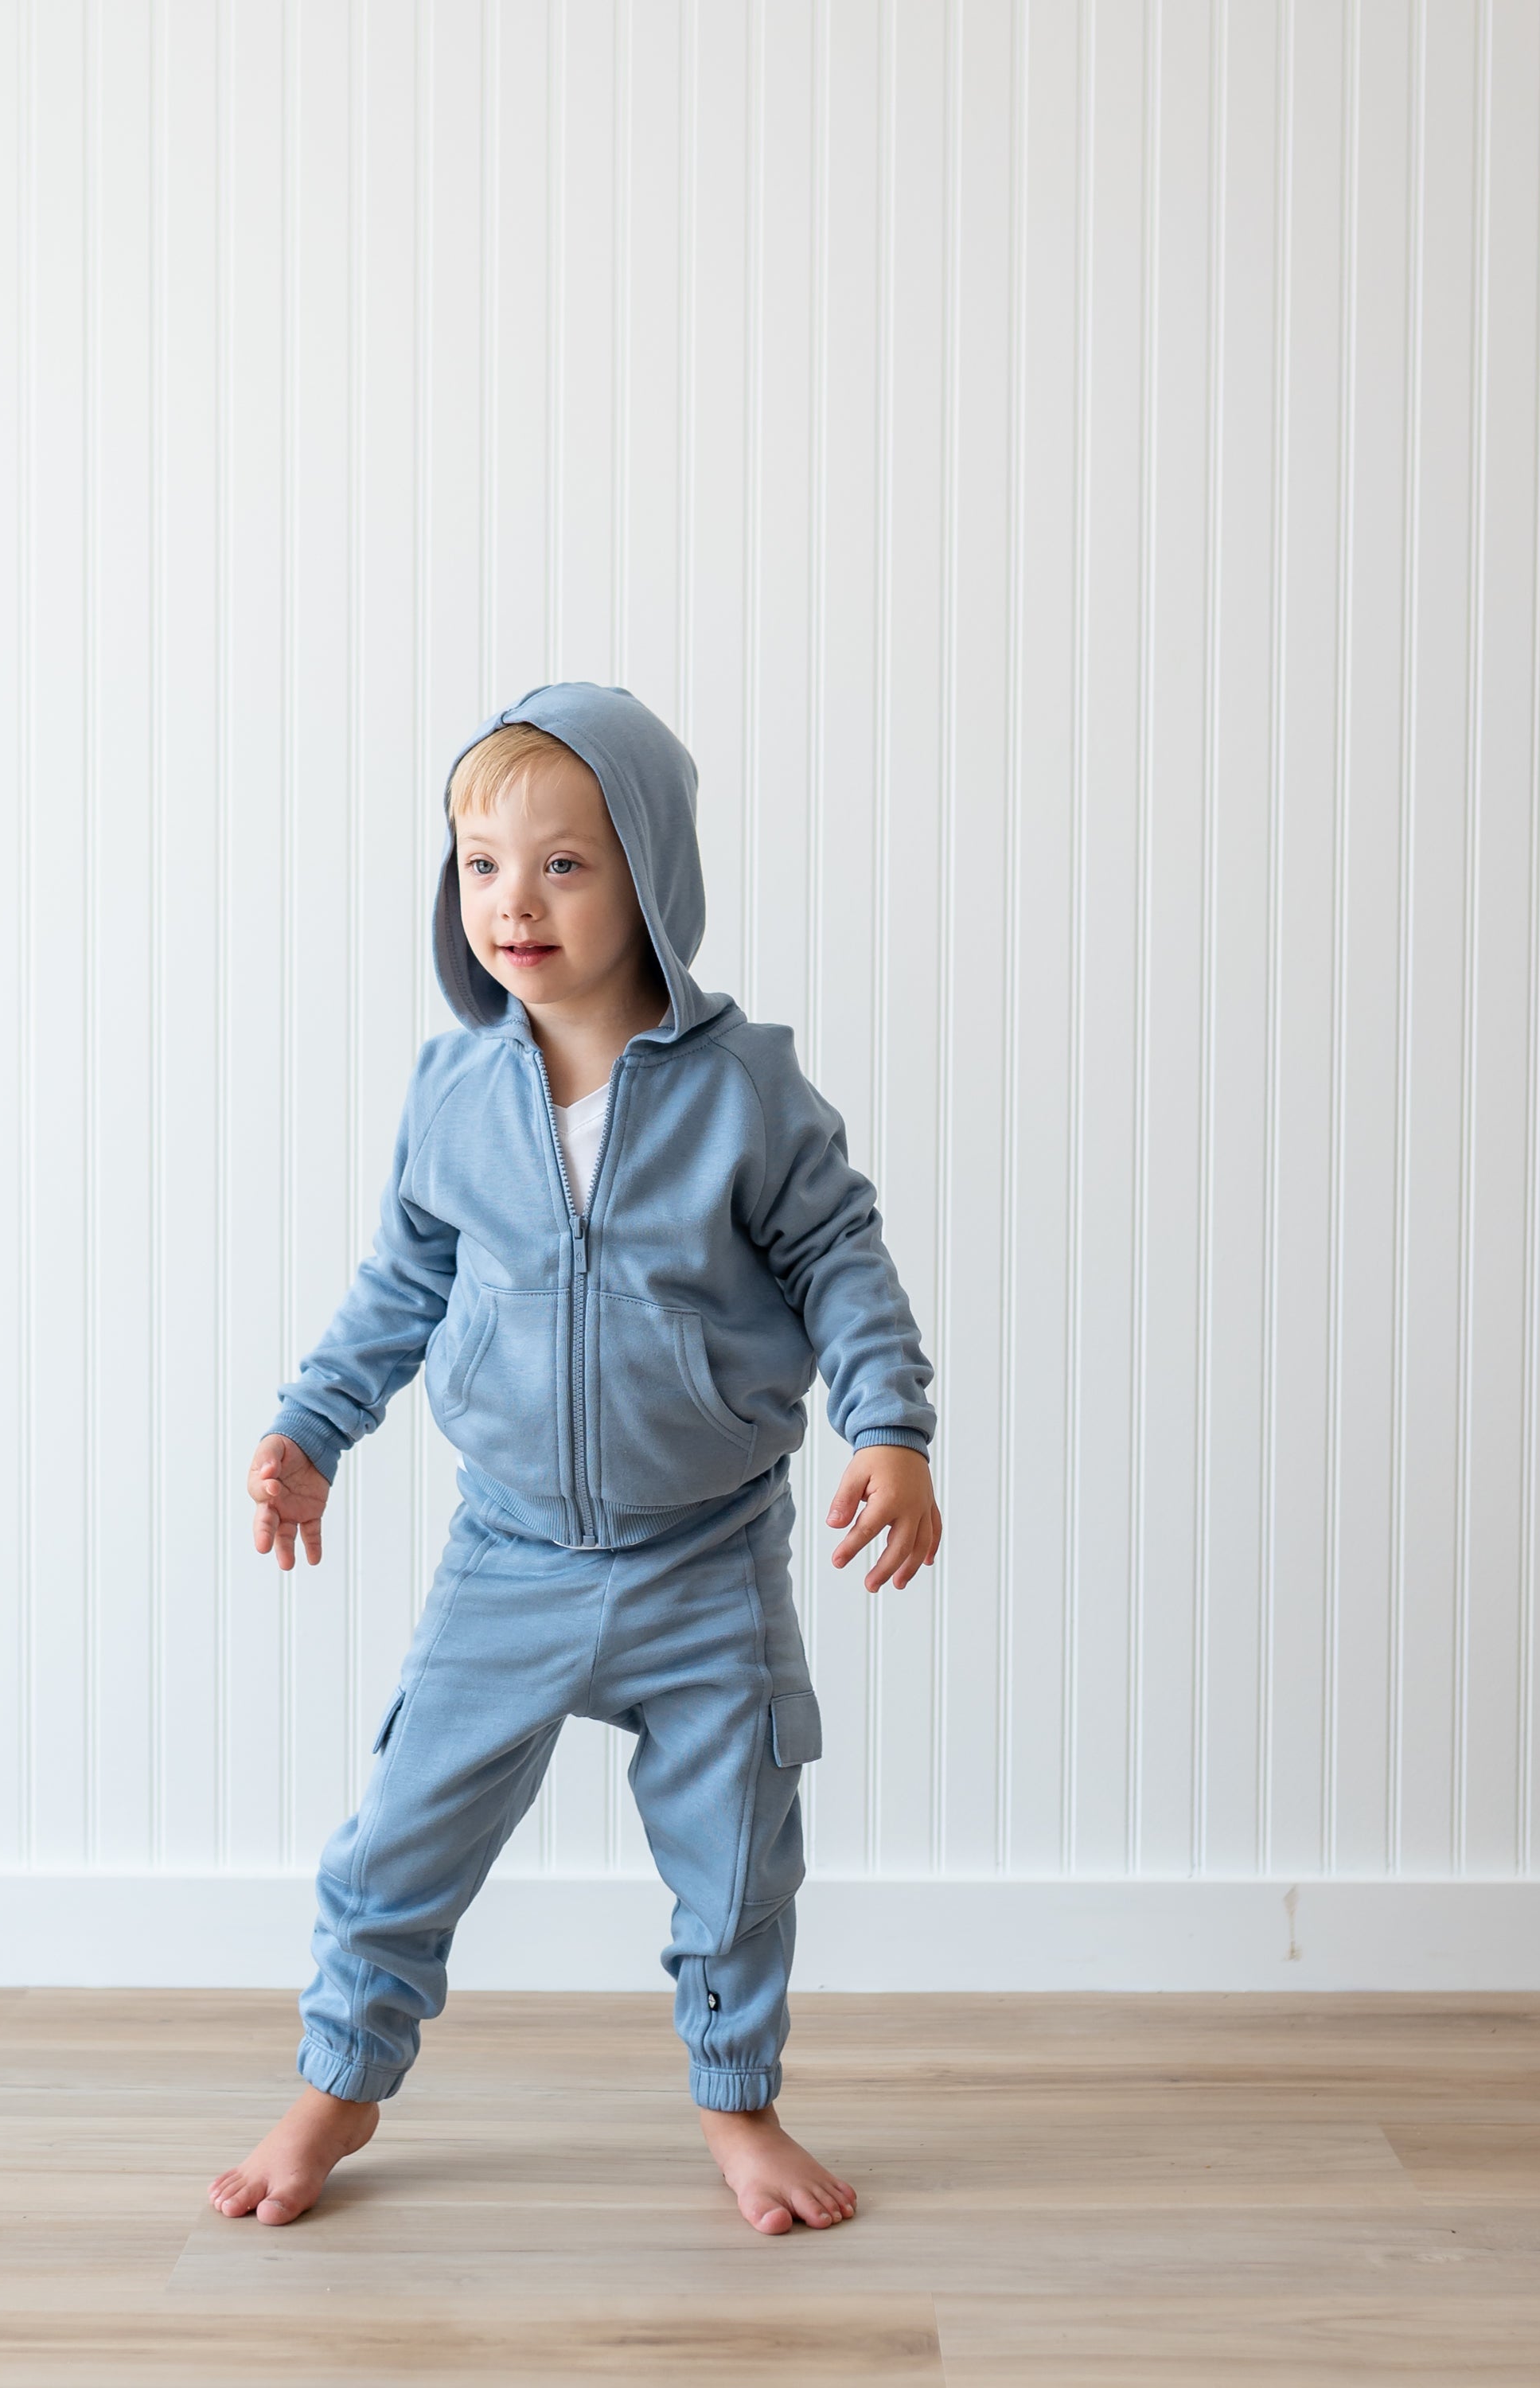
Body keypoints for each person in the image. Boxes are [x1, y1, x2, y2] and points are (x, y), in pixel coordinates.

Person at [209, 683, 941, 2237]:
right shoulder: (453, 1093)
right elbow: (402, 1287)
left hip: (706, 1558)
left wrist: (890, 1425)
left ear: (651, 883)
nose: (512, 902)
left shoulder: (745, 1095)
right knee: (399, 1835)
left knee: (739, 1861)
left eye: (563, 866)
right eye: (481, 864)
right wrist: (311, 1429)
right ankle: (337, 2086)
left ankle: (738, 2107)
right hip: (510, 1556)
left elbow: (843, 1263)